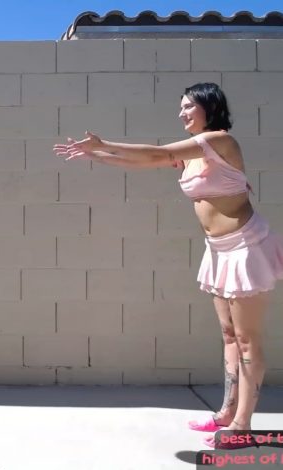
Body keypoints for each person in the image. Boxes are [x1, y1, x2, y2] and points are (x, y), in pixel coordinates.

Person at [54, 83, 283, 449]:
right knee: (228, 335)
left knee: (246, 338)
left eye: (189, 106)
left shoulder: (220, 141)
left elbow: (158, 153)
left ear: (209, 107)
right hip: (218, 250)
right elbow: (148, 162)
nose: (182, 113)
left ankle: (242, 425)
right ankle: (226, 413)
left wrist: (105, 142)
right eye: (181, 107)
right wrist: (96, 154)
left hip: (246, 247)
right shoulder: (193, 152)